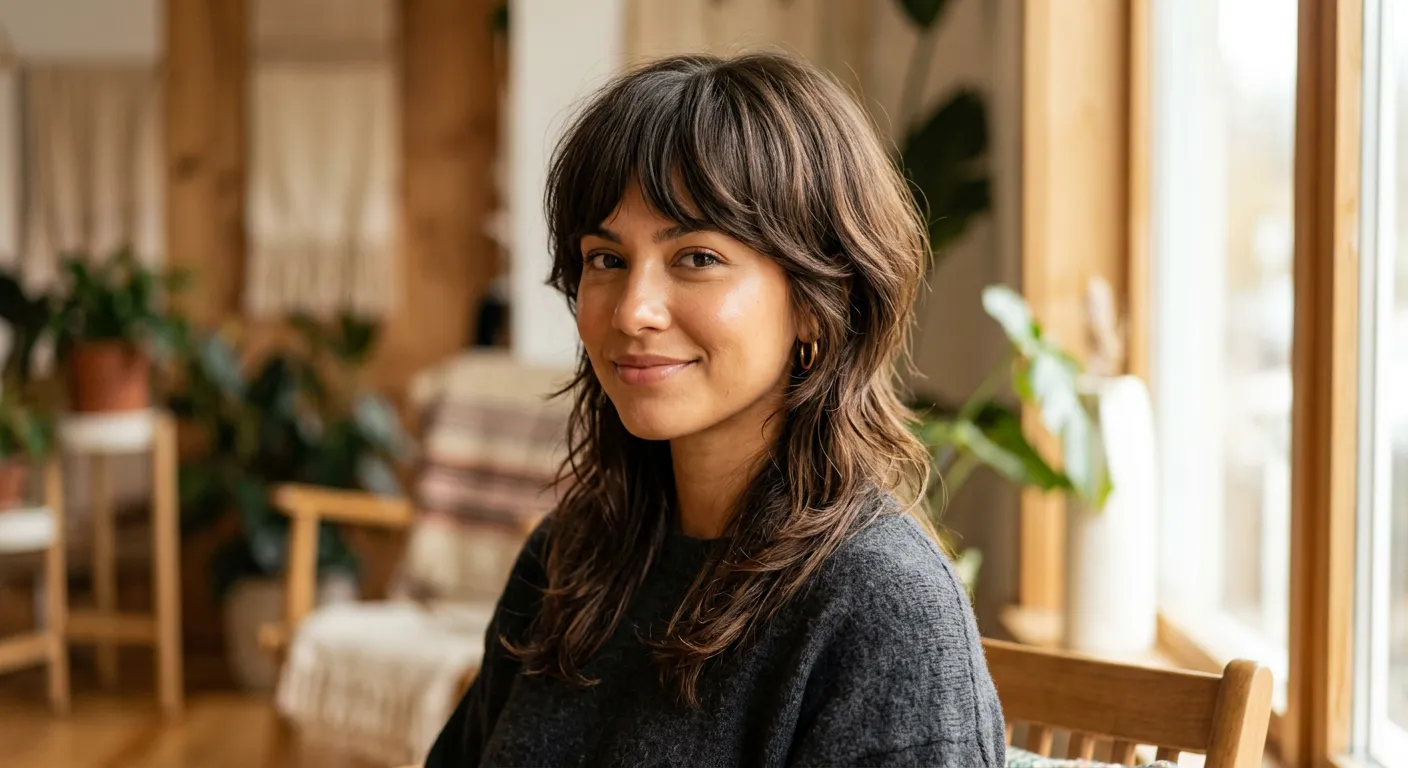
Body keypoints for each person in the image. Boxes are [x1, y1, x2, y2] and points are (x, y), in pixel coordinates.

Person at [425, 51, 1006, 768]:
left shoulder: (881, 609)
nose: (633, 311)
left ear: (819, 302)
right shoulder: (570, 555)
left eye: (696, 257)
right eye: (605, 259)